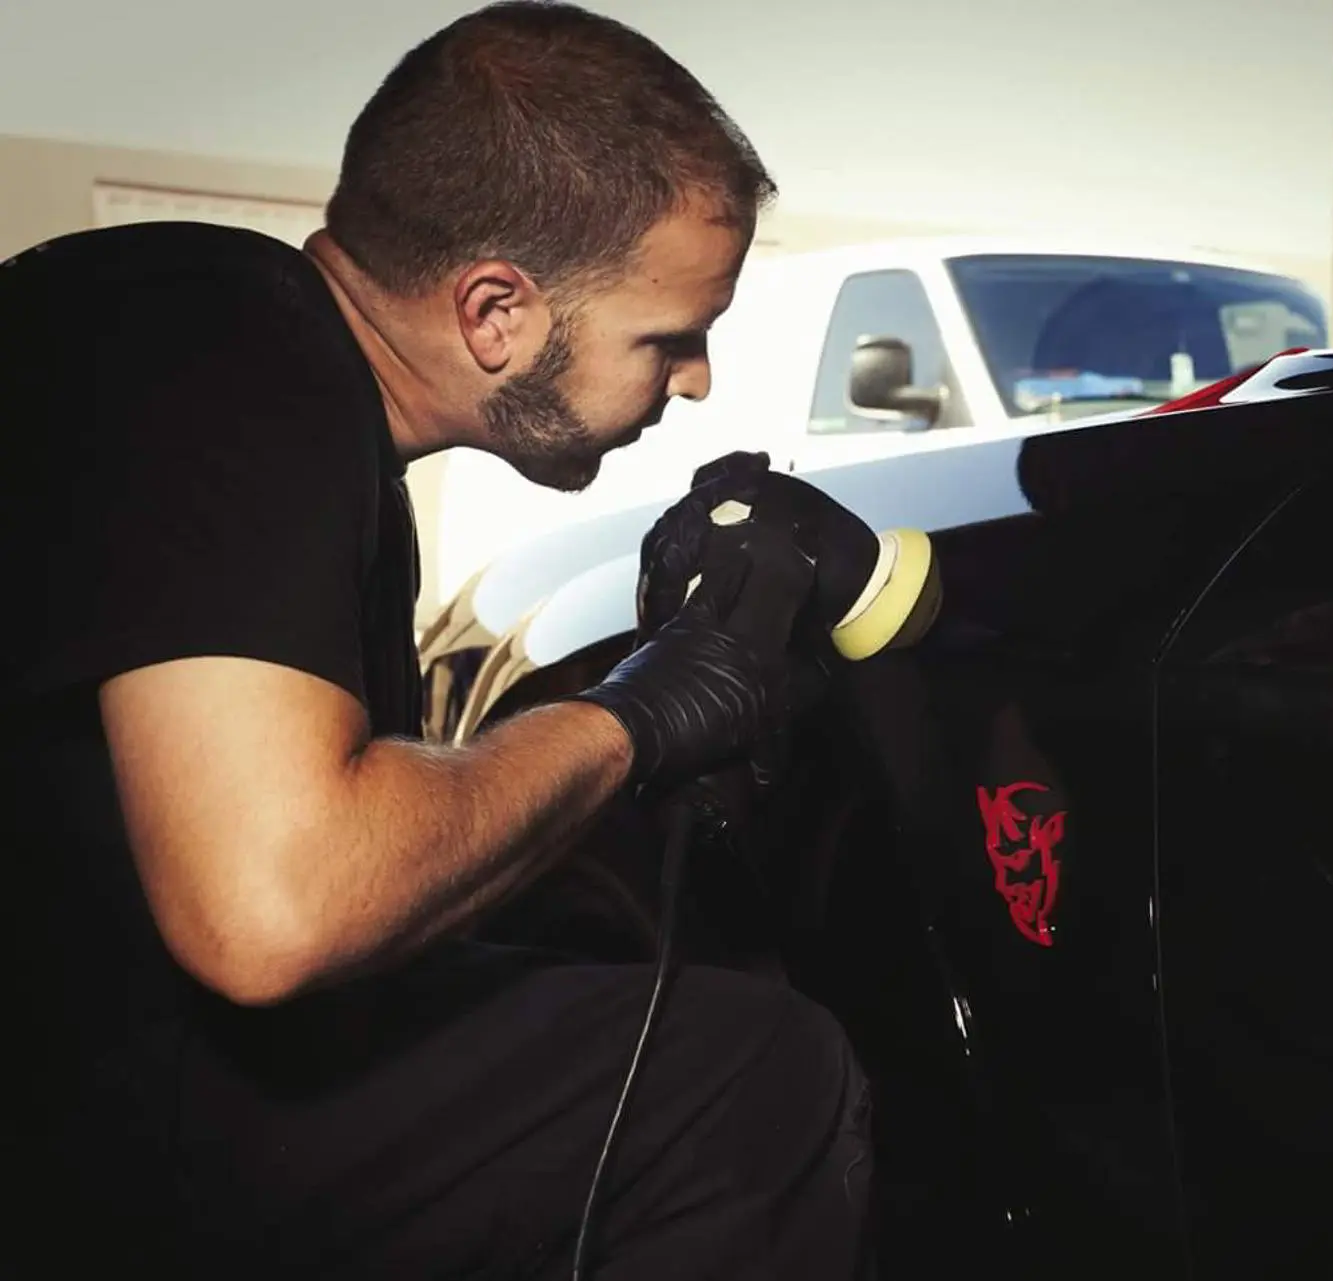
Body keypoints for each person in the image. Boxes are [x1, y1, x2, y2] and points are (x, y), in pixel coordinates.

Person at [0, 4, 872, 1277]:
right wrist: (639, 714)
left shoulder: (207, 348)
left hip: (73, 1052)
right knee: (746, 1075)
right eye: (667, 336)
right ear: (496, 313)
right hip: (60, 1123)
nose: (696, 383)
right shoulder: (233, 355)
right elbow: (277, 908)